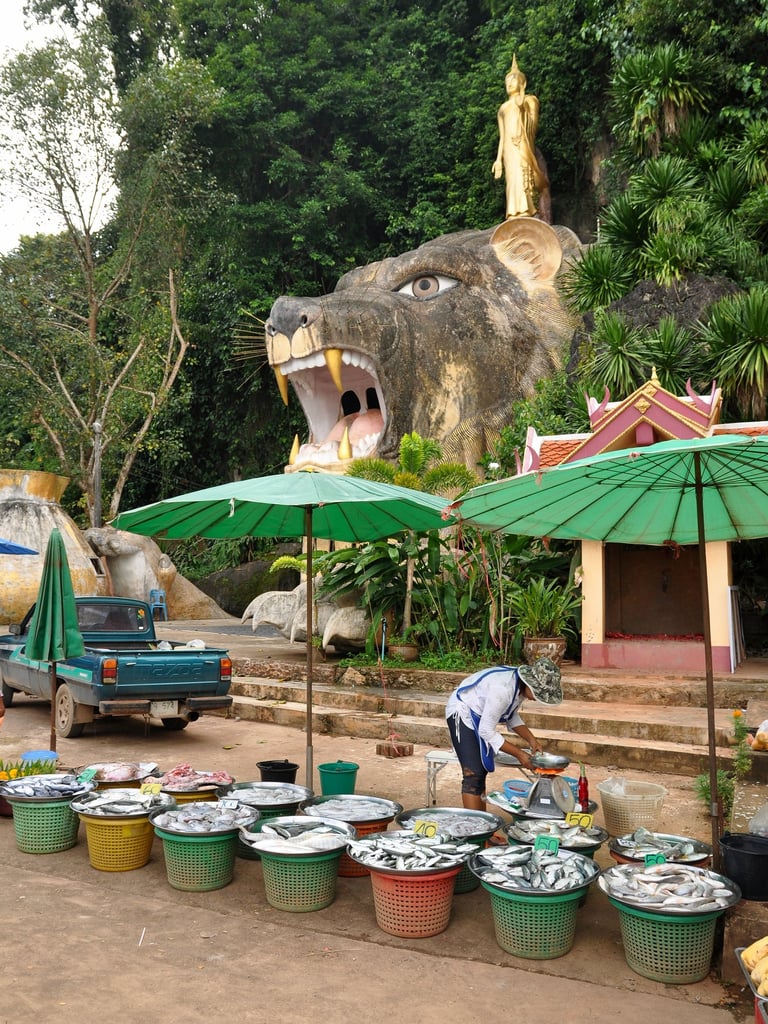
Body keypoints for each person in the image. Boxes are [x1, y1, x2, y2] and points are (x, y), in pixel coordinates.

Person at [445, 656, 562, 810]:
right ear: (529, 683)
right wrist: (520, 754)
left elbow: (510, 716)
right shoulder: (503, 689)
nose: (538, 698)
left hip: (480, 716)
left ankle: (483, 824)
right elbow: (486, 731)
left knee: (480, 771)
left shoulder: (518, 688)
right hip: (462, 711)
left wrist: (532, 740)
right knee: (473, 773)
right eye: (538, 693)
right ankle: (475, 830)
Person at [492, 55, 549, 219]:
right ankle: (512, 212)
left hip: (522, 145)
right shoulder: (502, 109)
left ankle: (526, 210)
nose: (509, 83)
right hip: (509, 150)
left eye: (513, 79)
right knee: (512, 179)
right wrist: (498, 160)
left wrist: (523, 105)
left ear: (522, 83)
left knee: (523, 176)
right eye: (507, 81)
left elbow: (533, 125)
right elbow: (502, 137)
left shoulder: (530, 100)